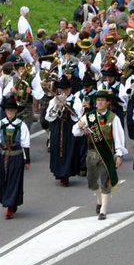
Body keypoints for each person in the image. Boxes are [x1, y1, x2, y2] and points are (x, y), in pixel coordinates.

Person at [72, 89, 128, 220]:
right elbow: (75, 132)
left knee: (105, 180)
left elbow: (119, 138)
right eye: (98, 100)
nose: (100, 103)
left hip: (107, 153)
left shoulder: (113, 118)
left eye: (102, 100)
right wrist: (80, 126)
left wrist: (119, 155)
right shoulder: (89, 116)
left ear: (108, 102)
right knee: (91, 182)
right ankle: (99, 199)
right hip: (92, 152)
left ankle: (103, 210)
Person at [0, 98, 31, 219]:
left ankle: (10, 206)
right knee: (4, 180)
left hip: (16, 156)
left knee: (14, 181)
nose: (10, 112)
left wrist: (27, 160)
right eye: (8, 109)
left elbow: (25, 143)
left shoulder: (21, 125)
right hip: (3, 156)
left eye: (12, 110)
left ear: (16, 111)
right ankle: (9, 202)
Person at [45, 77, 81, 186]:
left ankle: (66, 174)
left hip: (69, 127)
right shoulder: (54, 100)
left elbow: (78, 115)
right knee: (57, 148)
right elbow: (48, 117)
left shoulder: (76, 99)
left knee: (68, 149)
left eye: (66, 89)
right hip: (57, 127)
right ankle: (59, 172)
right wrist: (56, 106)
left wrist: (68, 106)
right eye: (62, 89)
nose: (64, 92)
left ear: (70, 89)